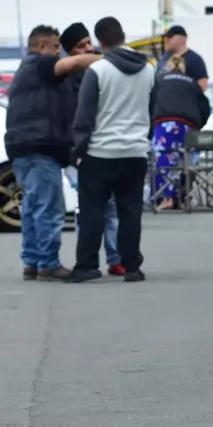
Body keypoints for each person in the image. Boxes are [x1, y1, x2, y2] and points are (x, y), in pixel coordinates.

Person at [4, 25, 100, 281]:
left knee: (32, 207)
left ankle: (32, 262)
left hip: (24, 147)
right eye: (56, 47)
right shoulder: (40, 64)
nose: (60, 52)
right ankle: (48, 263)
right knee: (49, 207)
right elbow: (75, 62)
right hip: (39, 146)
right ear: (41, 47)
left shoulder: (27, 71)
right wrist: (110, 59)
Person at [68, 17, 155, 283]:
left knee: (92, 211)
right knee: (130, 212)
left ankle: (87, 266)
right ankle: (132, 267)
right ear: (123, 35)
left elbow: (84, 116)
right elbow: (152, 109)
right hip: (135, 152)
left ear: (100, 42)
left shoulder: (98, 71)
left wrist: (78, 149)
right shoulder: (149, 70)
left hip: (100, 153)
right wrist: (143, 139)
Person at [60, 22, 125, 277]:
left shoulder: (102, 71)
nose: (88, 48)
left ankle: (116, 258)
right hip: (77, 152)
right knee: (88, 208)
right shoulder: (66, 79)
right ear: (69, 52)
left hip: (104, 147)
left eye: (89, 42)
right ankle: (87, 261)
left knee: (110, 207)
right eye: (81, 46)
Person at [152, 25, 209, 210]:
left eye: (170, 37)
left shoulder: (193, 61)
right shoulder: (187, 80)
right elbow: (204, 104)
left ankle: (167, 197)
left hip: (165, 121)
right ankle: (182, 196)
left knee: (164, 157)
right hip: (187, 122)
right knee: (184, 159)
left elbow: (151, 99)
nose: (167, 40)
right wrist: (198, 121)